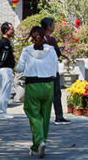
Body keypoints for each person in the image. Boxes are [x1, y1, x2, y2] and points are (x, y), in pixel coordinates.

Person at [16, 25, 59, 158]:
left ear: (31, 38)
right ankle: (39, 144)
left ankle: (39, 141)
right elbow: (56, 68)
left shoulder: (26, 51)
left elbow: (19, 68)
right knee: (45, 115)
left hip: (33, 85)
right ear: (44, 37)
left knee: (33, 114)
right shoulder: (51, 50)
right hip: (49, 85)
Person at [40, 17, 69, 124]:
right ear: (48, 26)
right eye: (52, 24)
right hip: (52, 70)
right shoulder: (50, 39)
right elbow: (57, 53)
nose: (54, 26)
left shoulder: (39, 39)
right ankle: (59, 116)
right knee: (56, 94)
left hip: (42, 70)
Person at [0, 22, 16, 119]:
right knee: (5, 91)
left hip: (1, 69)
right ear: (6, 31)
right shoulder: (5, 43)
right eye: (11, 29)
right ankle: (2, 112)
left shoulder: (2, 42)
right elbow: (3, 56)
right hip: (5, 69)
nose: (13, 31)